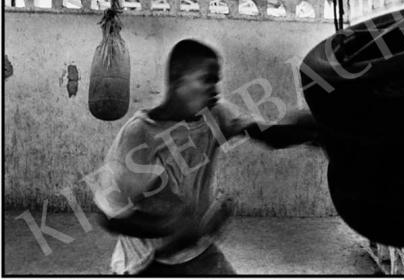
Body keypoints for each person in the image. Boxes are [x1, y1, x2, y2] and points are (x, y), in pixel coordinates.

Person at [92, 39, 319, 275]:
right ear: (179, 77)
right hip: (145, 262)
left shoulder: (214, 114)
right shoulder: (140, 134)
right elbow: (108, 216)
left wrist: (311, 131)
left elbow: (265, 135)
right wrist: (169, 226)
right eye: (207, 80)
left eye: (217, 81)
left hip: (196, 251)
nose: (215, 90)